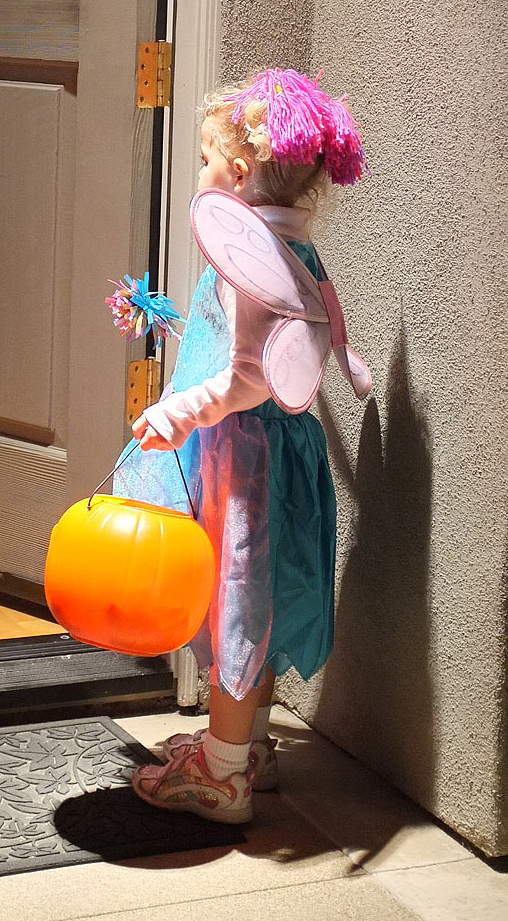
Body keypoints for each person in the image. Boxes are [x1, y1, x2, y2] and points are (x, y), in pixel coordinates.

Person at [116, 69, 366, 825]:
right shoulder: (296, 250)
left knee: (235, 600)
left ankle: (221, 777)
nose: (200, 174)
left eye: (202, 160)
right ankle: (248, 745)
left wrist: (179, 414)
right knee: (255, 600)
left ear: (235, 173)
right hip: (283, 454)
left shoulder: (248, 261)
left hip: (243, 460)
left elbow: (248, 377)